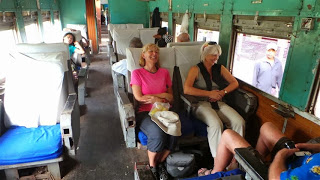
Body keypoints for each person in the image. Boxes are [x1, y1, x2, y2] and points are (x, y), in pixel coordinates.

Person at [184, 42, 245, 163]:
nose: (216, 58)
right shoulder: (195, 69)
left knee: (239, 122)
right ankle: (218, 161)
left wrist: (222, 92)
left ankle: (235, 159)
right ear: (205, 55)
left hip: (219, 102)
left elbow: (234, 83)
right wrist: (209, 93)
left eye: (217, 55)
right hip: (201, 103)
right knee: (216, 124)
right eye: (213, 55)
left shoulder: (220, 68)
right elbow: (187, 89)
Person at [198, 122, 320, 179]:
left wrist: (280, 157)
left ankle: (215, 172)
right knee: (267, 127)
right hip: (301, 158)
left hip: (276, 174)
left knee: (227, 135)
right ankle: (252, 164)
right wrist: (315, 147)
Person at [131, 43, 175, 180]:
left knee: (174, 130)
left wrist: (157, 98)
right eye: (150, 51)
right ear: (143, 55)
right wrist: (161, 97)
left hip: (164, 111)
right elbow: (139, 97)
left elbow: (171, 97)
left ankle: (160, 162)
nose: (154, 54)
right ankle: (152, 166)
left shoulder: (164, 72)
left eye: (156, 51)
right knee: (158, 133)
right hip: (146, 113)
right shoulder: (137, 73)